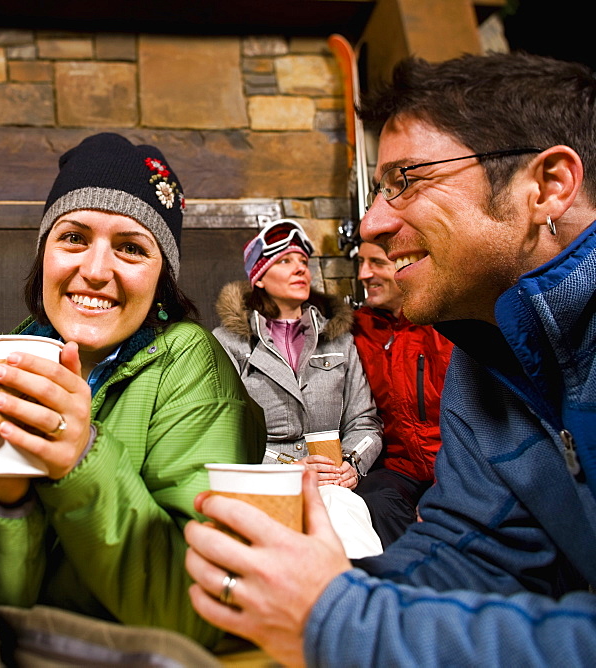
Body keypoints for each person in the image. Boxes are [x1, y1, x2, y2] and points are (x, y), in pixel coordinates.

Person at [184, 52, 596, 666]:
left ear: (548, 186)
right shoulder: (484, 357)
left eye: (408, 179)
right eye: (379, 187)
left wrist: (339, 617)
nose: (371, 222)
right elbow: (474, 549)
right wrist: (312, 593)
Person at [0, 132, 266, 648]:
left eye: (131, 248)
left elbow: (203, 610)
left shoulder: (189, 362)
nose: (94, 271)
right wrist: (1, 500)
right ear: (44, 252)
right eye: (73, 238)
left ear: (163, 279)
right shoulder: (10, 360)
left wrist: (80, 459)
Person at [212, 219, 382, 488]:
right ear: (259, 278)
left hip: (333, 482)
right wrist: (286, 468)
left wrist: (352, 462)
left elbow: (364, 421)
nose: (300, 268)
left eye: (303, 261)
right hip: (265, 483)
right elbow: (222, 430)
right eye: (284, 261)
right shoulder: (228, 343)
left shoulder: (339, 340)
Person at [352, 240, 452, 546]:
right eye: (361, 262)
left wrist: (445, 486)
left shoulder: (447, 326)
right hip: (399, 465)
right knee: (375, 500)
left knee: (451, 512)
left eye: (377, 263)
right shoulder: (357, 329)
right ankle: (407, 584)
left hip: (452, 463)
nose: (363, 274)